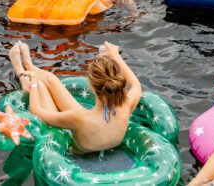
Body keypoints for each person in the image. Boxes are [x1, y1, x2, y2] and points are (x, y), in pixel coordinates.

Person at [9, 41, 142, 153]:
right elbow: (136, 84)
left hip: (77, 152)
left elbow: (36, 110)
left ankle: (21, 72)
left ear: (92, 86)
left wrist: (33, 83)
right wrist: (115, 56)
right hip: (93, 126)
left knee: (40, 86)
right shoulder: (126, 105)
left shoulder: (78, 117)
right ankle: (29, 65)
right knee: (52, 80)